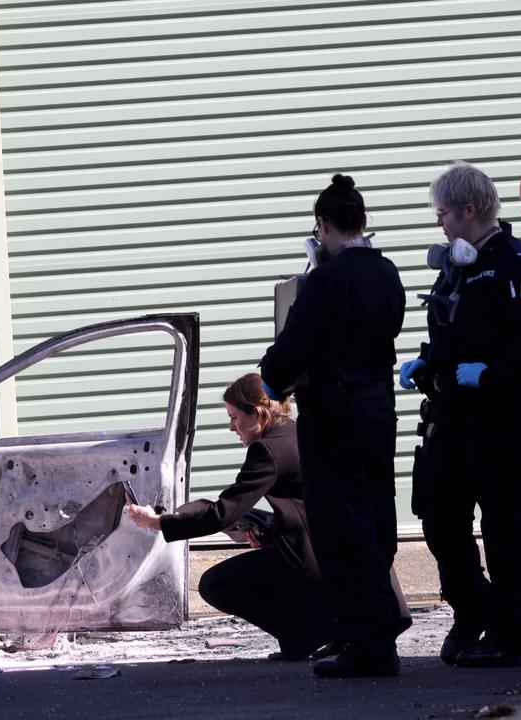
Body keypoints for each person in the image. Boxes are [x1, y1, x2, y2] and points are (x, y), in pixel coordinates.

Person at [260, 173, 406, 678]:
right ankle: (381, 627)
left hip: (333, 416)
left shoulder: (325, 282)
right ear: (364, 222)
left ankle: (366, 644)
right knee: (376, 518)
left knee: (342, 528)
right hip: (376, 409)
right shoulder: (387, 273)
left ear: (322, 226)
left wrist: (272, 374)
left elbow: (292, 350)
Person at [399, 161, 521, 668]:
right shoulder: (460, 266)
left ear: (469, 210)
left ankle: (509, 633)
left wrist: (490, 375)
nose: (442, 225)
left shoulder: (515, 265)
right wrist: (426, 360)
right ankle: (472, 611)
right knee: (439, 517)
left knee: (502, 527)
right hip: (451, 416)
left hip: (498, 421)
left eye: (444, 214)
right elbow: (453, 333)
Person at [127, 373, 334, 661]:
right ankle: (320, 629)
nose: (231, 427)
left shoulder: (267, 450)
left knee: (215, 585)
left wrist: (155, 523)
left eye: (234, 417)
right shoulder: (297, 433)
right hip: (331, 554)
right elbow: (302, 505)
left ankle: (308, 634)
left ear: (259, 415)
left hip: (310, 561)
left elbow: (222, 514)